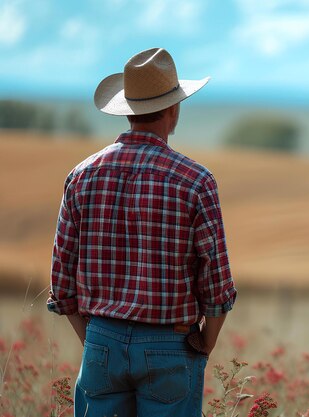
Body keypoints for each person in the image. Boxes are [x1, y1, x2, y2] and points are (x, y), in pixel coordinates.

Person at [47, 47, 237, 417]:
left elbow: (62, 278)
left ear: (128, 109)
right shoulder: (195, 180)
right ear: (173, 109)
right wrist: (206, 343)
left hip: (100, 337)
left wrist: (96, 341)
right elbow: (216, 282)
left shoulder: (82, 175)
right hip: (171, 340)